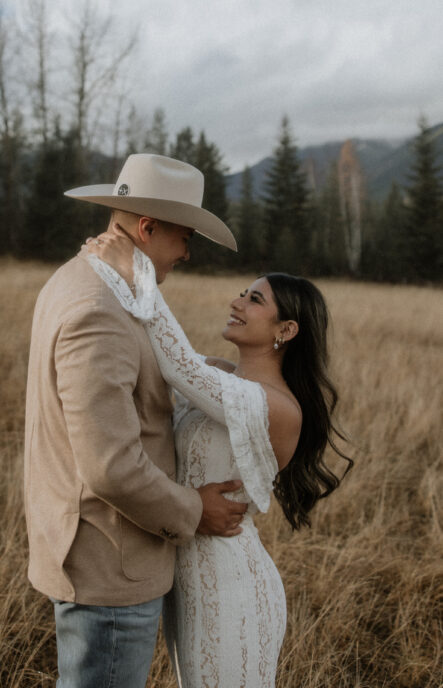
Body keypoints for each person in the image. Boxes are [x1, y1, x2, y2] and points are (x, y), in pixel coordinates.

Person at [86, 227, 353, 688]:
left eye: (254, 300)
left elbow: (178, 365)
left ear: (285, 331)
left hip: (233, 587)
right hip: (188, 578)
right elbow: (166, 356)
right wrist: (108, 272)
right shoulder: (220, 374)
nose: (236, 303)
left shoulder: (277, 406)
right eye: (242, 293)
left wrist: (138, 268)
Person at [23, 153, 243, 688]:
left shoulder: (104, 284)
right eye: (184, 237)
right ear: (146, 227)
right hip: (109, 567)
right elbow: (110, 467)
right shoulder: (100, 308)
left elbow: (155, 370)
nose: (188, 253)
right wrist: (196, 511)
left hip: (105, 557)